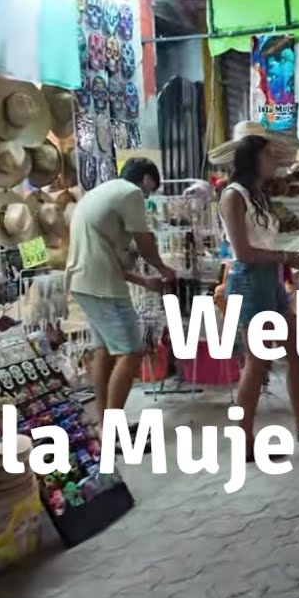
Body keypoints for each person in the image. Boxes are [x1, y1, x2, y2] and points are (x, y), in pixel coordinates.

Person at [219, 135, 299, 460]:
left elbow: (269, 235)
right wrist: (285, 258)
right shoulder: (234, 196)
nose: (275, 161)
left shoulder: (258, 194)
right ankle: (244, 442)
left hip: (269, 279)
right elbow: (242, 252)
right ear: (252, 159)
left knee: (296, 351)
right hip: (249, 282)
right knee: (257, 363)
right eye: (269, 155)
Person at [66, 158, 177, 429]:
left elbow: (104, 255)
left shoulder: (97, 195)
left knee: (103, 350)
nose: (148, 197)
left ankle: (104, 420)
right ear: (147, 180)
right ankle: (109, 428)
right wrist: (163, 268)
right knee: (131, 353)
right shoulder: (131, 193)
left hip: (83, 282)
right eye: (150, 190)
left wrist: (143, 280)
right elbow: (144, 241)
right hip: (104, 287)